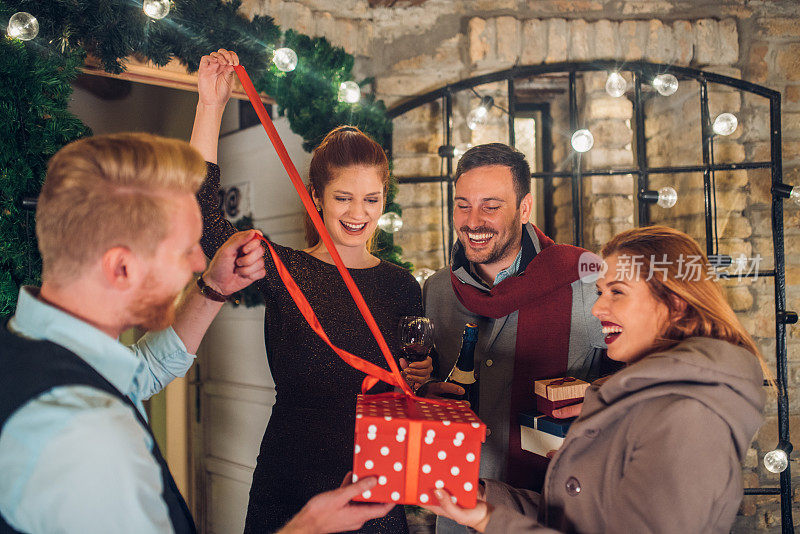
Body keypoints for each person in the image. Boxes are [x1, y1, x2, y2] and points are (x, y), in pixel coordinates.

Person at [0, 133, 396, 533]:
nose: (197, 263)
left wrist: (214, 288)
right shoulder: (90, 435)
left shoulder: (28, 351)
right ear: (122, 267)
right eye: (184, 248)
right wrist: (306, 527)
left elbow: (144, 370)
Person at [190, 49, 431, 533]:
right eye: (343, 197)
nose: (358, 212)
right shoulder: (286, 268)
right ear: (316, 196)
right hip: (290, 478)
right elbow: (204, 222)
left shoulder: (402, 284)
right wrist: (210, 106)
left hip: (374, 488)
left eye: (371, 198)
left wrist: (421, 373)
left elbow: (415, 381)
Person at [422, 225, 767, 534]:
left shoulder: (688, 418)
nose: (597, 309)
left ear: (674, 305)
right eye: (600, 292)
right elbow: (577, 515)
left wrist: (488, 521)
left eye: (617, 292)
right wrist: (481, 502)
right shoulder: (637, 397)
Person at [423, 143, 609, 512]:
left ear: (525, 209)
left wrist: (599, 397)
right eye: (463, 205)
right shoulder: (437, 290)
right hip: (457, 505)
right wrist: (426, 391)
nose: (473, 220)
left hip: (553, 510)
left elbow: (645, 375)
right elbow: (425, 385)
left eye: (491, 206)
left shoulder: (588, 282)